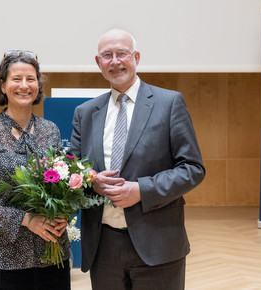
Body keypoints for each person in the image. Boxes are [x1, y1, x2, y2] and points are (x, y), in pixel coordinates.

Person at [70, 29, 205, 289]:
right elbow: (76, 172)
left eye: (122, 53)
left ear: (136, 58)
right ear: (98, 63)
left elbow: (192, 169)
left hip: (158, 242)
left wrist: (143, 190)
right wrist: (93, 182)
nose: (115, 61)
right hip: (103, 245)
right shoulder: (85, 113)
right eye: (107, 55)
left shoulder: (169, 103)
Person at [0, 50, 71, 290]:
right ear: (3, 85)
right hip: (2, 257)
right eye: (16, 79)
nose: (24, 85)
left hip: (51, 255)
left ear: (38, 85)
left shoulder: (50, 130)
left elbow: (59, 186)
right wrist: (24, 219)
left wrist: (63, 215)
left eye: (31, 79)